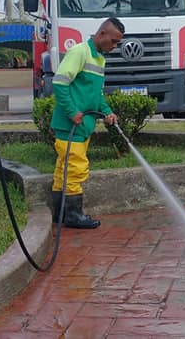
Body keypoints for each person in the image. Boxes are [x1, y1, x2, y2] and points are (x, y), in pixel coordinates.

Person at [49, 17, 124, 229]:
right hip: (69, 125)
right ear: (101, 34)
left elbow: (96, 95)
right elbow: (60, 83)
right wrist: (72, 111)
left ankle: (60, 213)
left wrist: (107, 112)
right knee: (75, 168)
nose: (115, 46)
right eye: (113, 41)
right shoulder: (79, 52)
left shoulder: (100, 59)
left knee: (63, 169)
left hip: (83, 127)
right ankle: (73, 215)